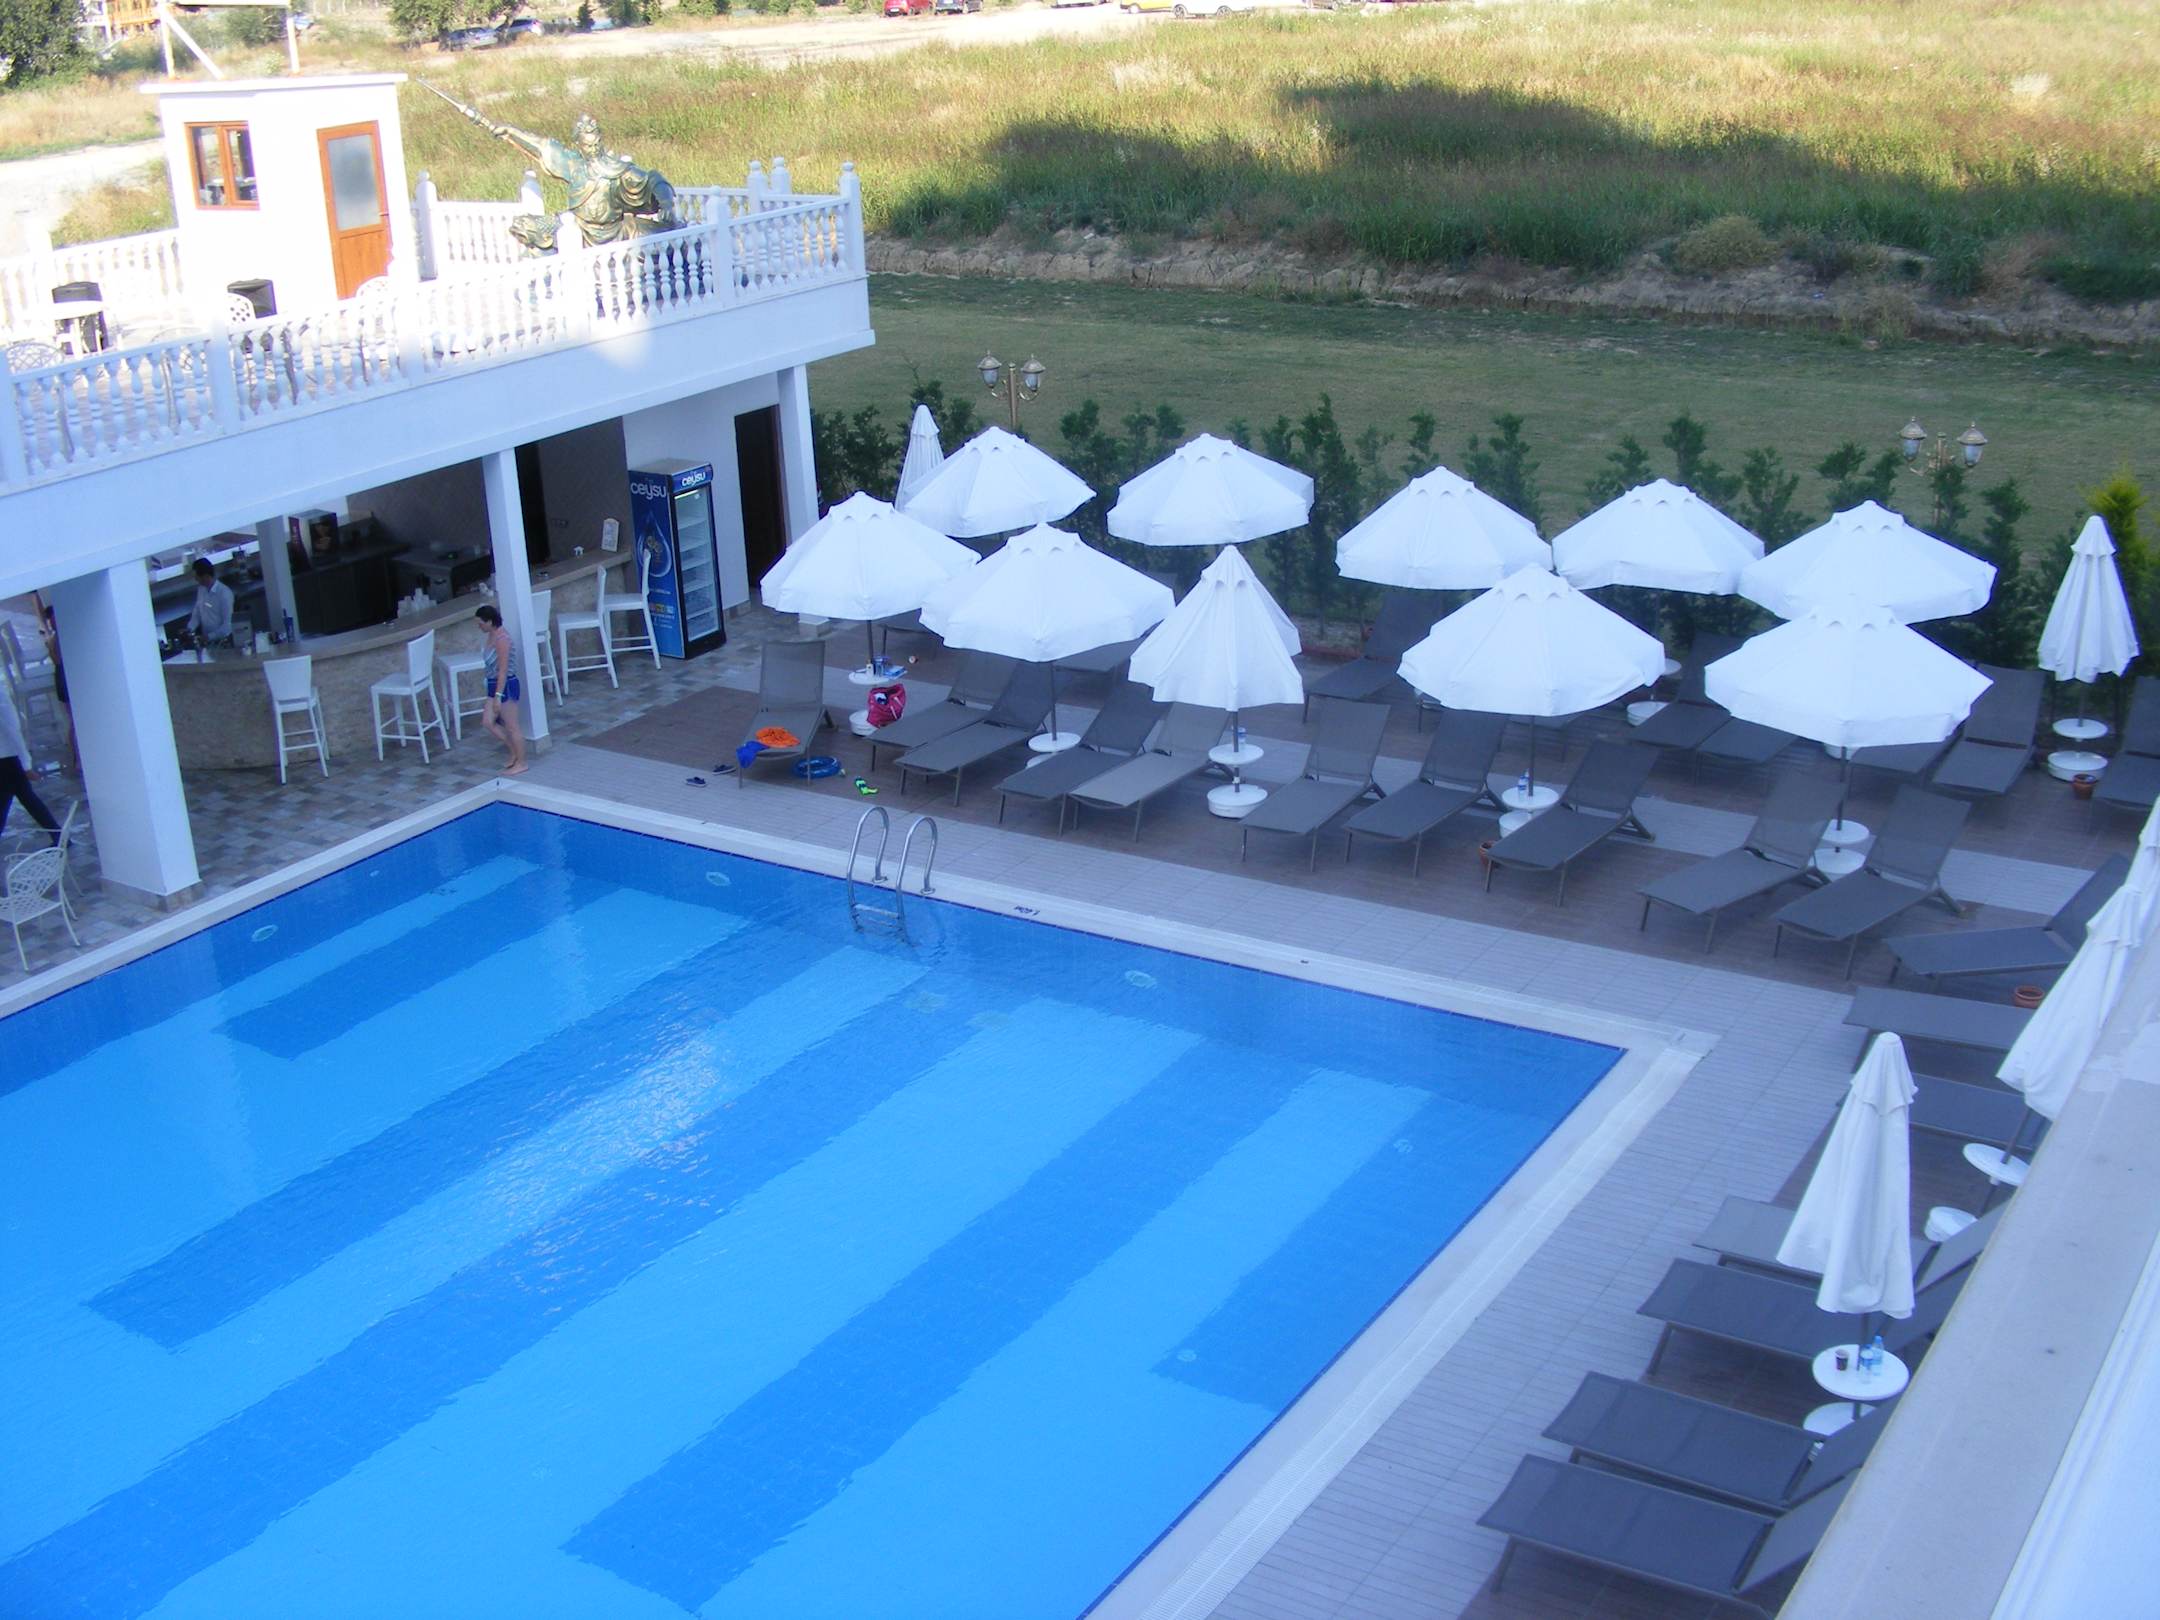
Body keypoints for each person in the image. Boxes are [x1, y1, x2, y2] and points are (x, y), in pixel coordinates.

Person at [0, 677, 59, 845]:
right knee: (24, 798)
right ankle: (58, 835)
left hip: (7, 757)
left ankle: (58, 834)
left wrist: (26, 764)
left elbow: (12, 729)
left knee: (18, 798)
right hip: (6, 757)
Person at [474, 604, 527, 776]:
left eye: (481, 623)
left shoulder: (502, 640)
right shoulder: (492, 635)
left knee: (512, 726)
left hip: (505, 686)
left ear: (490, 622)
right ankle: (513, 751)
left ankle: (522, 762)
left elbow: (503, 671)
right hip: (493, 684)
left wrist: (498, 696)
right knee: (488, 722)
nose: (479, 627)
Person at [184, 558, 234, 646]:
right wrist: (189, 629)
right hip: (207, 642)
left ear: (206, 576)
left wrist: (209, 637)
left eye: (197, 577)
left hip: (222, 642)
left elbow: (227, 626)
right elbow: (197, 614)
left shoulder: (224, 594)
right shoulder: (201, 590)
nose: (195, 579)